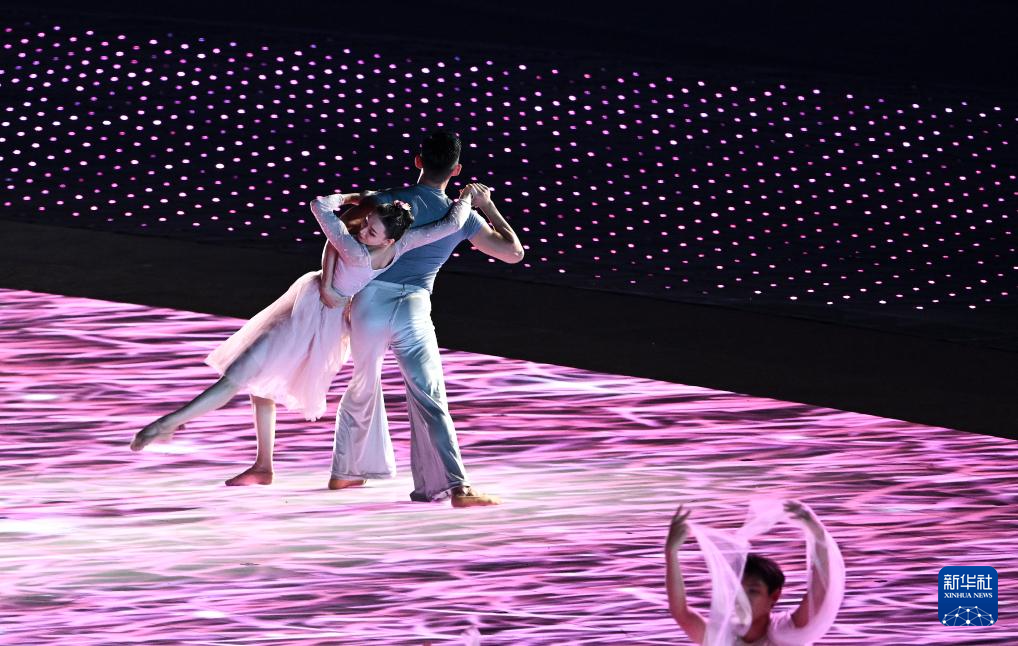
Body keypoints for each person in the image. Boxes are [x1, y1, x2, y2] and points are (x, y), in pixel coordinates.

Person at [130, 186, 481, 486]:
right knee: (260, 381)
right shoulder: (402, 244)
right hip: (323, 312)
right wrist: (466, 198)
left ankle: (165, 424)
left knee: (240, 374)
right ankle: (263, 465)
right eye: (366, 224)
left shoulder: (354, 250)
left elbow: (318, 206)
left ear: (389, 239)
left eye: (371, 230)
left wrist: (350, 198)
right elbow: (451, 223)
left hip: (313, 313)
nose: (363, 231)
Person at [324, 130, 524, 507]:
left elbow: (336, 238)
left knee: (363, 382)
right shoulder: (462, 216)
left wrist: (332, 289)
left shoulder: (385, 200)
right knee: (429, 394)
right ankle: (456, 487)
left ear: (418, 160)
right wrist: (487, 206)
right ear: (457, 169)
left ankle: (346, 471)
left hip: (369, 303)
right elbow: (513, 253)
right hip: (413, 306)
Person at [665, 500, 845, 645]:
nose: (741, 598)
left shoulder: (786, 634)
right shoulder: (723, 639)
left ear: (774, 596)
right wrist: (671, 553)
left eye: (753, 591)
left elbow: (819, 594)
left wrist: (817, 534)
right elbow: (681, 613)